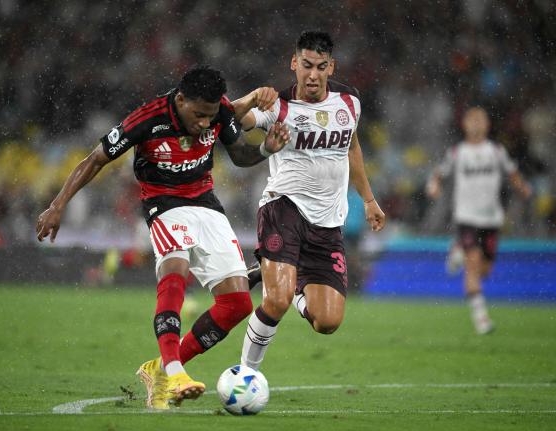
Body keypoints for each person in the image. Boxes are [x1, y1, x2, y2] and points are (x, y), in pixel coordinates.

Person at [36, 65, 289, 409]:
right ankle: (174, 372)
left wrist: (264, 150)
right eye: (199, 115)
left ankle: (159, 370)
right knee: (175, 270)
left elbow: (240, 154)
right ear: (181, 99)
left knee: (239, 304)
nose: (204, 123)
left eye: (210, 116)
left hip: (206, 203)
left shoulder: (218, 112)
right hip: (163, 203)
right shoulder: (147, 119)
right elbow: (96, 160)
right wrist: (57, 205)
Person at [232, 31, 386, 371]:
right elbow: (232, 122)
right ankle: (246, 375)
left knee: (327, 321)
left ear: (331, 67)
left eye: (320, 67)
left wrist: (370, 199)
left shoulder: (350, 102)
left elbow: (352, 146)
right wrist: (251, 98)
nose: (312, 75)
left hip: (328, 222)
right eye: (305, 66)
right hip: (283, 207)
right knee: (276, 301)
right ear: (293, 63)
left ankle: (280, 271)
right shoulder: (278, 104)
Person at [426, 106, 532, 335]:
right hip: (467, 216)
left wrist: (522, 187)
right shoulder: (457, 152)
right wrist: (434, 185)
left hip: (492, 219)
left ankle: (459, 250)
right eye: (471, 120)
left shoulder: (496, 151)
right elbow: (439, 173)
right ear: (464, 124)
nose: (475, 123)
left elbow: (512, 173)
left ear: (487, 125)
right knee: (473, 266)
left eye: (480, 120)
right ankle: (481, 318)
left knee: (484, 271)